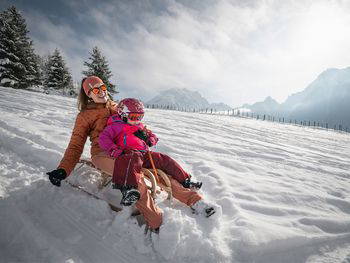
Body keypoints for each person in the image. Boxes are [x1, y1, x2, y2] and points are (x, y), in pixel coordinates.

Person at [98, 98, 216, 230]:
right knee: (133, 158)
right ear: (122, 114)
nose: (137, 120)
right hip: (128, 155)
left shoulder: (139, 126)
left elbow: (151, 135)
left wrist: (151, 139)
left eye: (140, 117)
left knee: (164, 159)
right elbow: (103, 139)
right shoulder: (115, 126)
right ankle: (129, 189)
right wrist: (114, 150)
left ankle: (185, 180)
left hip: (144, 155)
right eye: (133, 116)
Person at [46, 75, 118, 188]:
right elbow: (75, 145)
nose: (101, 92)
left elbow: (134, 124)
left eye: (103, 88)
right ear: (89, 95)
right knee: (130, 170)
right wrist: (63, 169)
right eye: (96, 89)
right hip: (103, 152)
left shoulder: (117, 108)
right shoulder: (84, 116)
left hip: (124, 150)